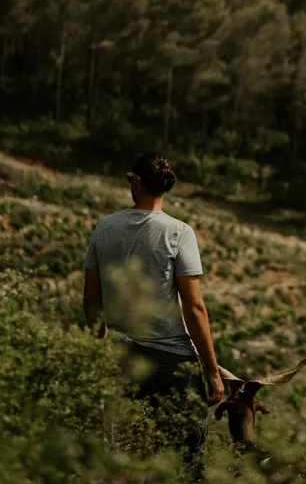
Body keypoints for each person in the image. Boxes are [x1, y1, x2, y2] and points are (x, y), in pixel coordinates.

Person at [83, 151, 224, 467]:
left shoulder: (103, 228)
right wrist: (211, 370)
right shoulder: (178, 232)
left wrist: (98, 346)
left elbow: (91, 300)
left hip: (120, 355)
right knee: (186, 458)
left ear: (134, 182)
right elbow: (195, 306)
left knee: (124, 454)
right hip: (171, 362)